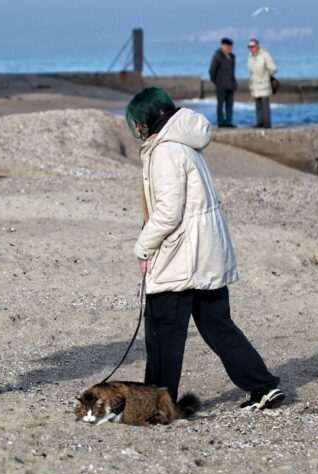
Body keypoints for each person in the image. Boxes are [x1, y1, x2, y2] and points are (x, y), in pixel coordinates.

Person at [126, 87, 285, 410]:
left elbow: (169, 211)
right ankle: (262, 386)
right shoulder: (186, 144)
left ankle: (158, 403)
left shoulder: (166, 151)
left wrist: (143, 246)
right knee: (218, 326)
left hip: (181, 256)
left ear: (149, 120)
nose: (137, 130)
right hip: (206, 252)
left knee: (162, 331)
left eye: (138, 123)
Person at [246, 39, 277, 128]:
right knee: (258, 105)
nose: (251, 49)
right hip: (254, 85)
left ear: (257, 46)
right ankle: (260, 123)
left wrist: (267, 76)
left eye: (252, 46)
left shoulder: (265, 55)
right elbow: (250, 71)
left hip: (264, 84)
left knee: (265, 105)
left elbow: (273, 68)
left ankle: (267, 123)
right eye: (249, 47)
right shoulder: (250, 57)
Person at [209, 37, 237, 128]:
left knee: (229, 105)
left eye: (231, 47)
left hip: (230, 85)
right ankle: (220, 122)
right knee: (220, 105)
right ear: (223, 46)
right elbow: (212, 71)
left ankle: (228, 121)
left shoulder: (232, 57)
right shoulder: (217, 56)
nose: (230, 49)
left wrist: (234, 82)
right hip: (221, 85)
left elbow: (232, 71)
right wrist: (217, 82)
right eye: (228, 47)